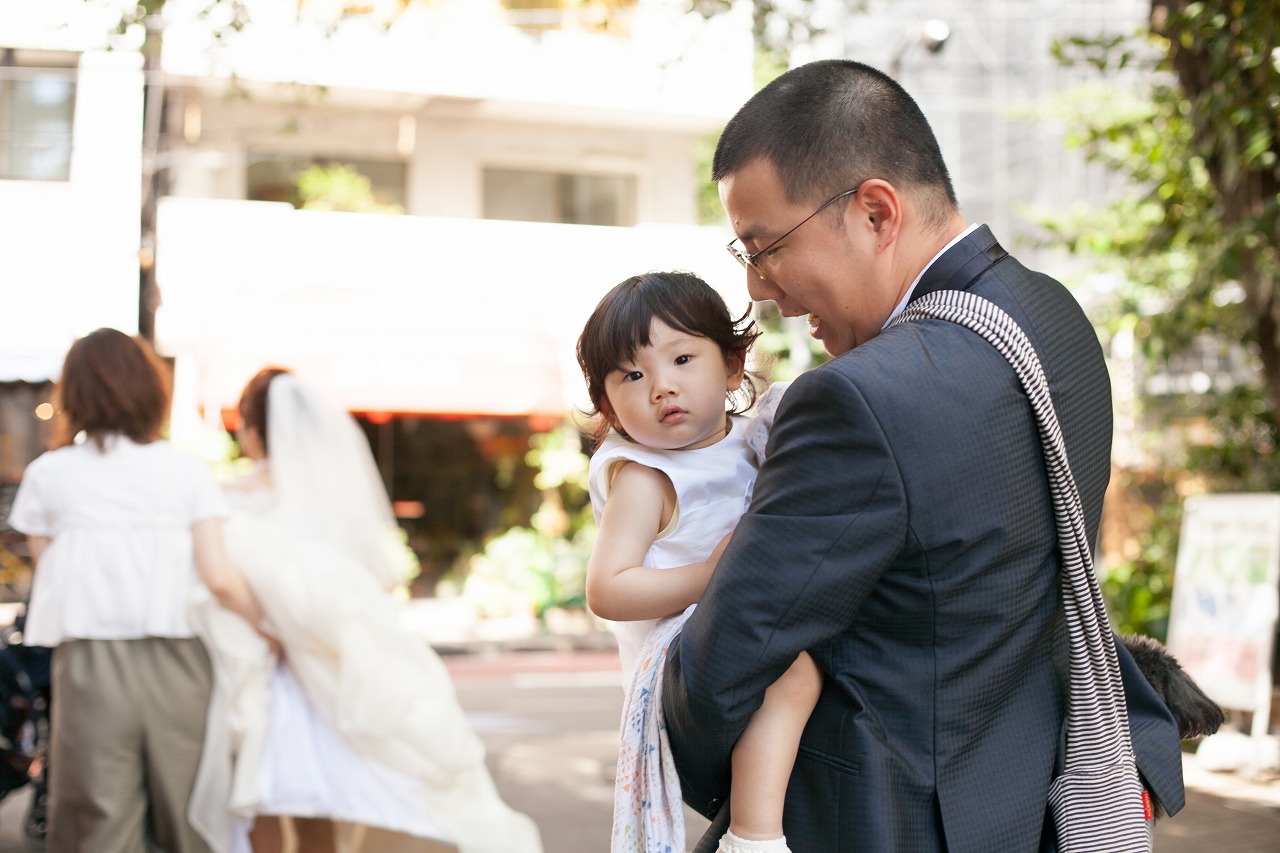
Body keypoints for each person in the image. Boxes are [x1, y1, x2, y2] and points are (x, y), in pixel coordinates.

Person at [659, 59, 1188, 852]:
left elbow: (724, 664)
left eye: (764, 248)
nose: (762, 289)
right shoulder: (1057, 321)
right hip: (1029, 806)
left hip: (871, 822)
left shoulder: (857, 399)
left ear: (876, 212)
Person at [189, 368, 542, 853]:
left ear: (252, 429)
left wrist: (270, 625)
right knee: (331, 798)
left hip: (268, 667)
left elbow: (221, 581)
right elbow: (378, 576)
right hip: (336, 665)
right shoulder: (332, 496)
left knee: (266, 794)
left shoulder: (231, 498)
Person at [577, 271, 818, 853]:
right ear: (608, 406)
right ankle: (752, 838)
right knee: (792, 665)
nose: (662, 386)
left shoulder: (754, 434)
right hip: (674, 652)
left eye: (682, 358)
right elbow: (607, 590)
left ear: (734, 366)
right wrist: (710, 577)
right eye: (633, 375)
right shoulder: (645, 475)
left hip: (735, 620)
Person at [7, 328, 268, 852]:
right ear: (150, 390)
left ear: (74, 393)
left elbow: (48, 572)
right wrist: (272, 628)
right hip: (181, 661)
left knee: (98, 821)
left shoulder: (48, 476)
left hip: (89, 664)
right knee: (187, 811)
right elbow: (218, 577)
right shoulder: (186, 473)